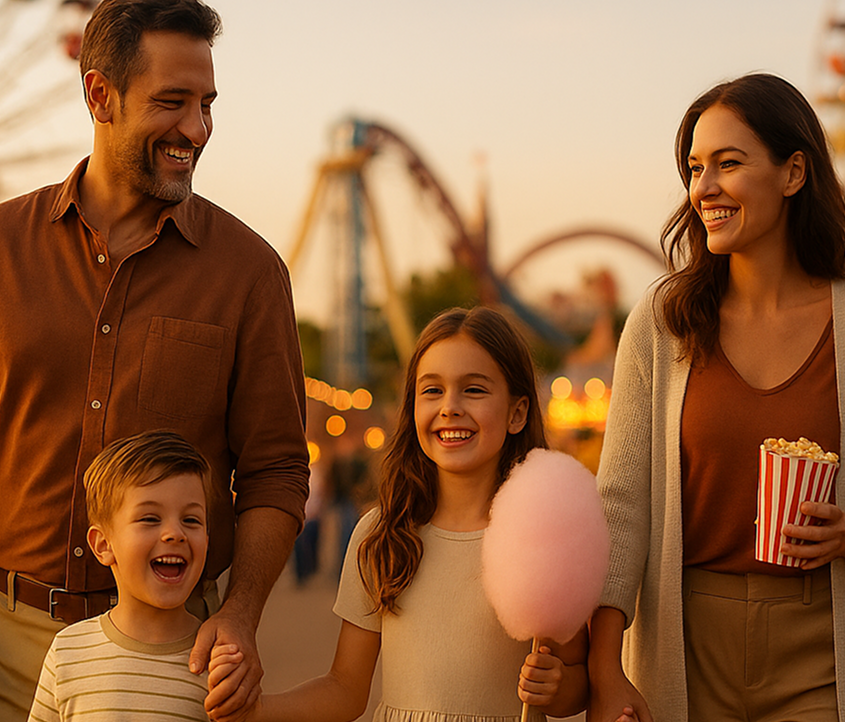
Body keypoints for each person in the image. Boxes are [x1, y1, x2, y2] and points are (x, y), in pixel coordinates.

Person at [0, 0, 310, 722]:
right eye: (174, 101)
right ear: (100, 93)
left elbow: (277, 467)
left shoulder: (249, 273)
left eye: (209, 104)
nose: (198, 128)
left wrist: (241, 615)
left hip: (171, 654)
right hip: (6, 642)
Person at [588, 73, 845, 722]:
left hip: (821, 647)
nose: (704, 188)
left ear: (793, 171)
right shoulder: (662, 322)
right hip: (685, 643)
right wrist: (605, 670)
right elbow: (621, 508)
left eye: (729, 163)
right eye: (695, 168)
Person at [213, 307, 593, 721]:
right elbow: (345, 689)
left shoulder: (544, 535)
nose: (450, 407)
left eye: (474, 390)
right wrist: (257, 711)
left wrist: (557, 687)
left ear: (518, 413)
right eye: (432, 391)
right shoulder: (381, 535)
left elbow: (576, 681)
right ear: (411, 407)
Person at [29, 431, 221, 721]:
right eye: (150, 518)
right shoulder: (68, 651)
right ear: (104, 545)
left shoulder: (217, 662)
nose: (175, 534)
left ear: (207, 539)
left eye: (191, 520)